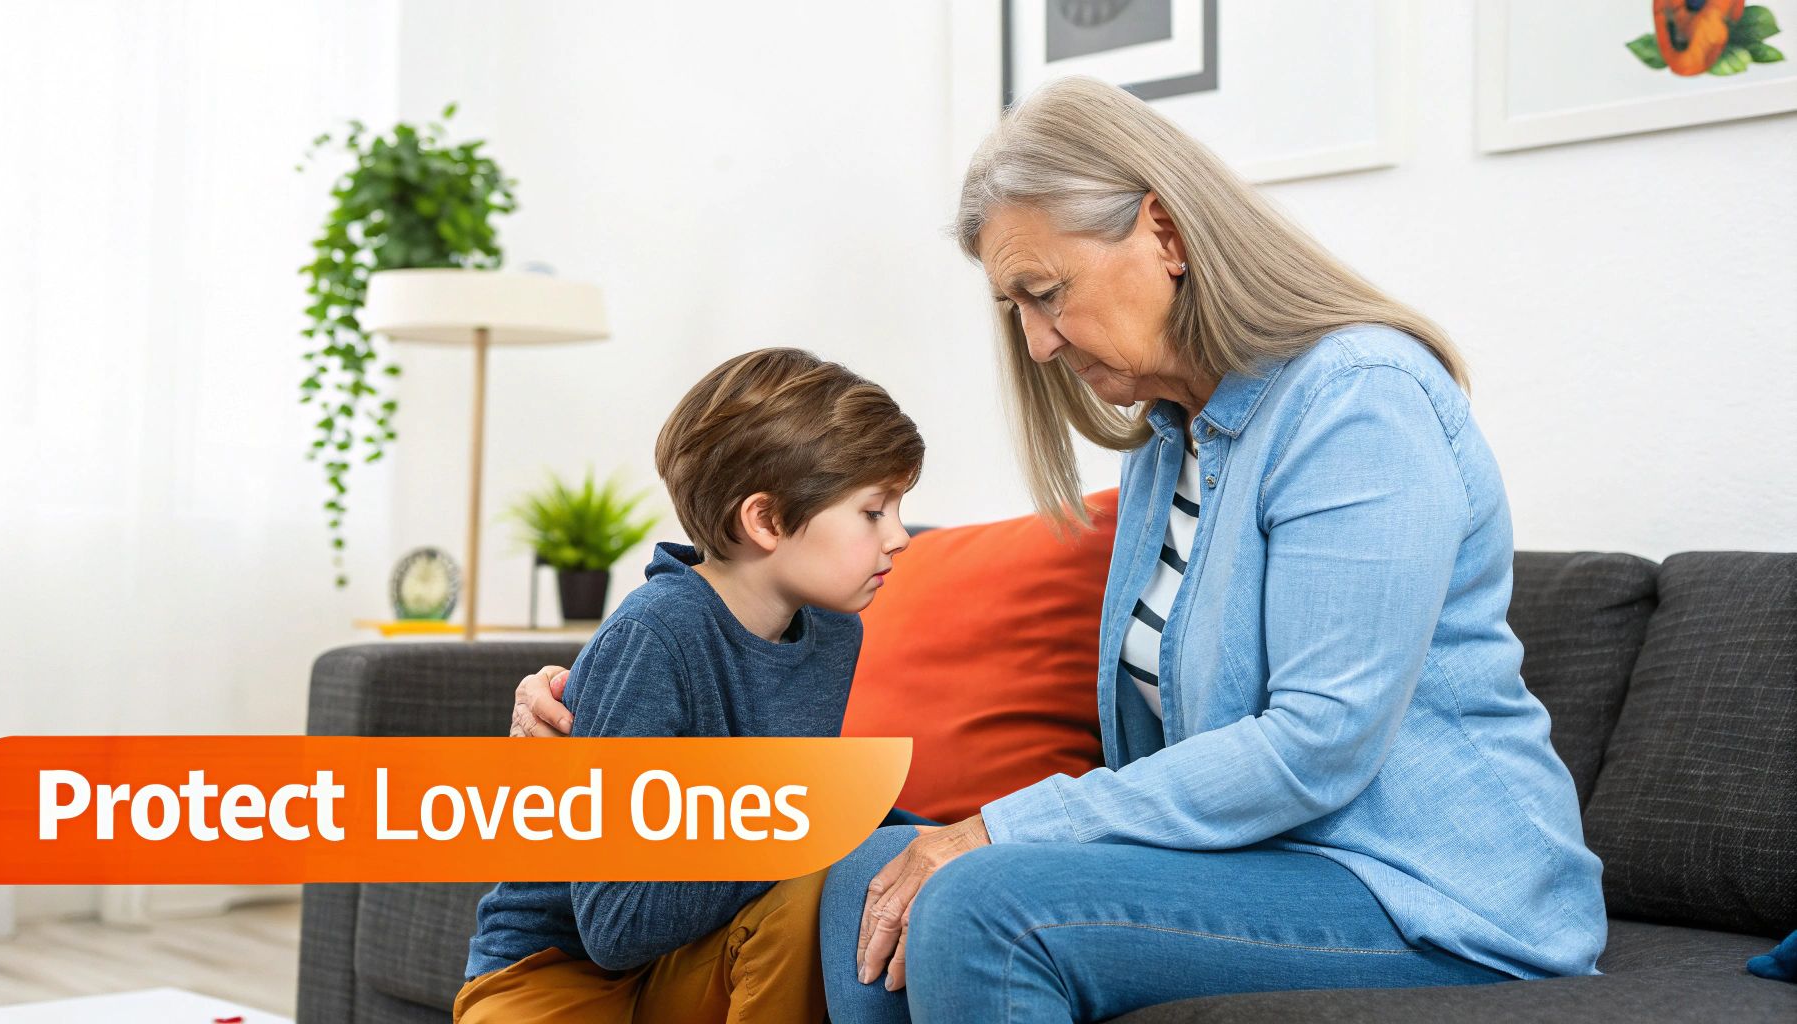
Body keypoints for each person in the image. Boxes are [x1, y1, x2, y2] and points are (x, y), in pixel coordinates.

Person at [804, 76, 1606, 1021]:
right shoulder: (1172, 439)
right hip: (1267, 864)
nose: (1036, 345)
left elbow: (1316, 746)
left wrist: (1003, 828)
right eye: (1013, 309)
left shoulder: (1358, 399)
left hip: (1434, 892)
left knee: (987, 907)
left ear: (1166, 235)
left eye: (1045, 294)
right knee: (867, 866)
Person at [456, 347, 923, 1024]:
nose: (901, 536)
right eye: (874, 511)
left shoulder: (831, 631)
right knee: (811, 864)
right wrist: (812, 819)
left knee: (818, 891)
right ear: (763, 521)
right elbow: (615, 926)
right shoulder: (657, 634)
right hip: (554, 974)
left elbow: (794, 824)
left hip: (694, 955)